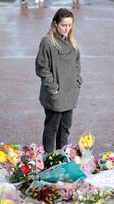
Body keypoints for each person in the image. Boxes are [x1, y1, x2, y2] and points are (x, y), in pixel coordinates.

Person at [35, 8, 82, 154]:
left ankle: (61, 156)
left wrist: (77, 80)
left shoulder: (72, 43)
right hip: (54, 94)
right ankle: (49, 158)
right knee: (52, 128)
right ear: (55, 24)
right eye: (63, 25)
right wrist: (53, 87)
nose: (67, 28)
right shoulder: (47, 42)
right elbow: (42, 67)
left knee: (65, 128)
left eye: (69, 25)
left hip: (70, 93)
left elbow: (77, 63)